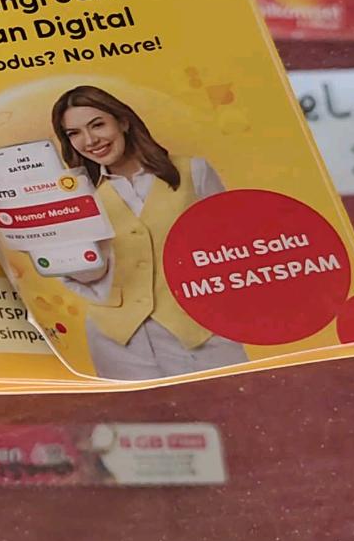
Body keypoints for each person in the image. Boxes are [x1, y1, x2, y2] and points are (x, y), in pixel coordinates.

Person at [47, 84, 244, 383]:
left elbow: (233, 250)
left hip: (203, 334)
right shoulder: (78, 197)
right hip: (118, 343)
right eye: (74, 133)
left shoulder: (194, 172)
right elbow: (84, 275)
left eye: (97, 125)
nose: (90, 140)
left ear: (123, 122)